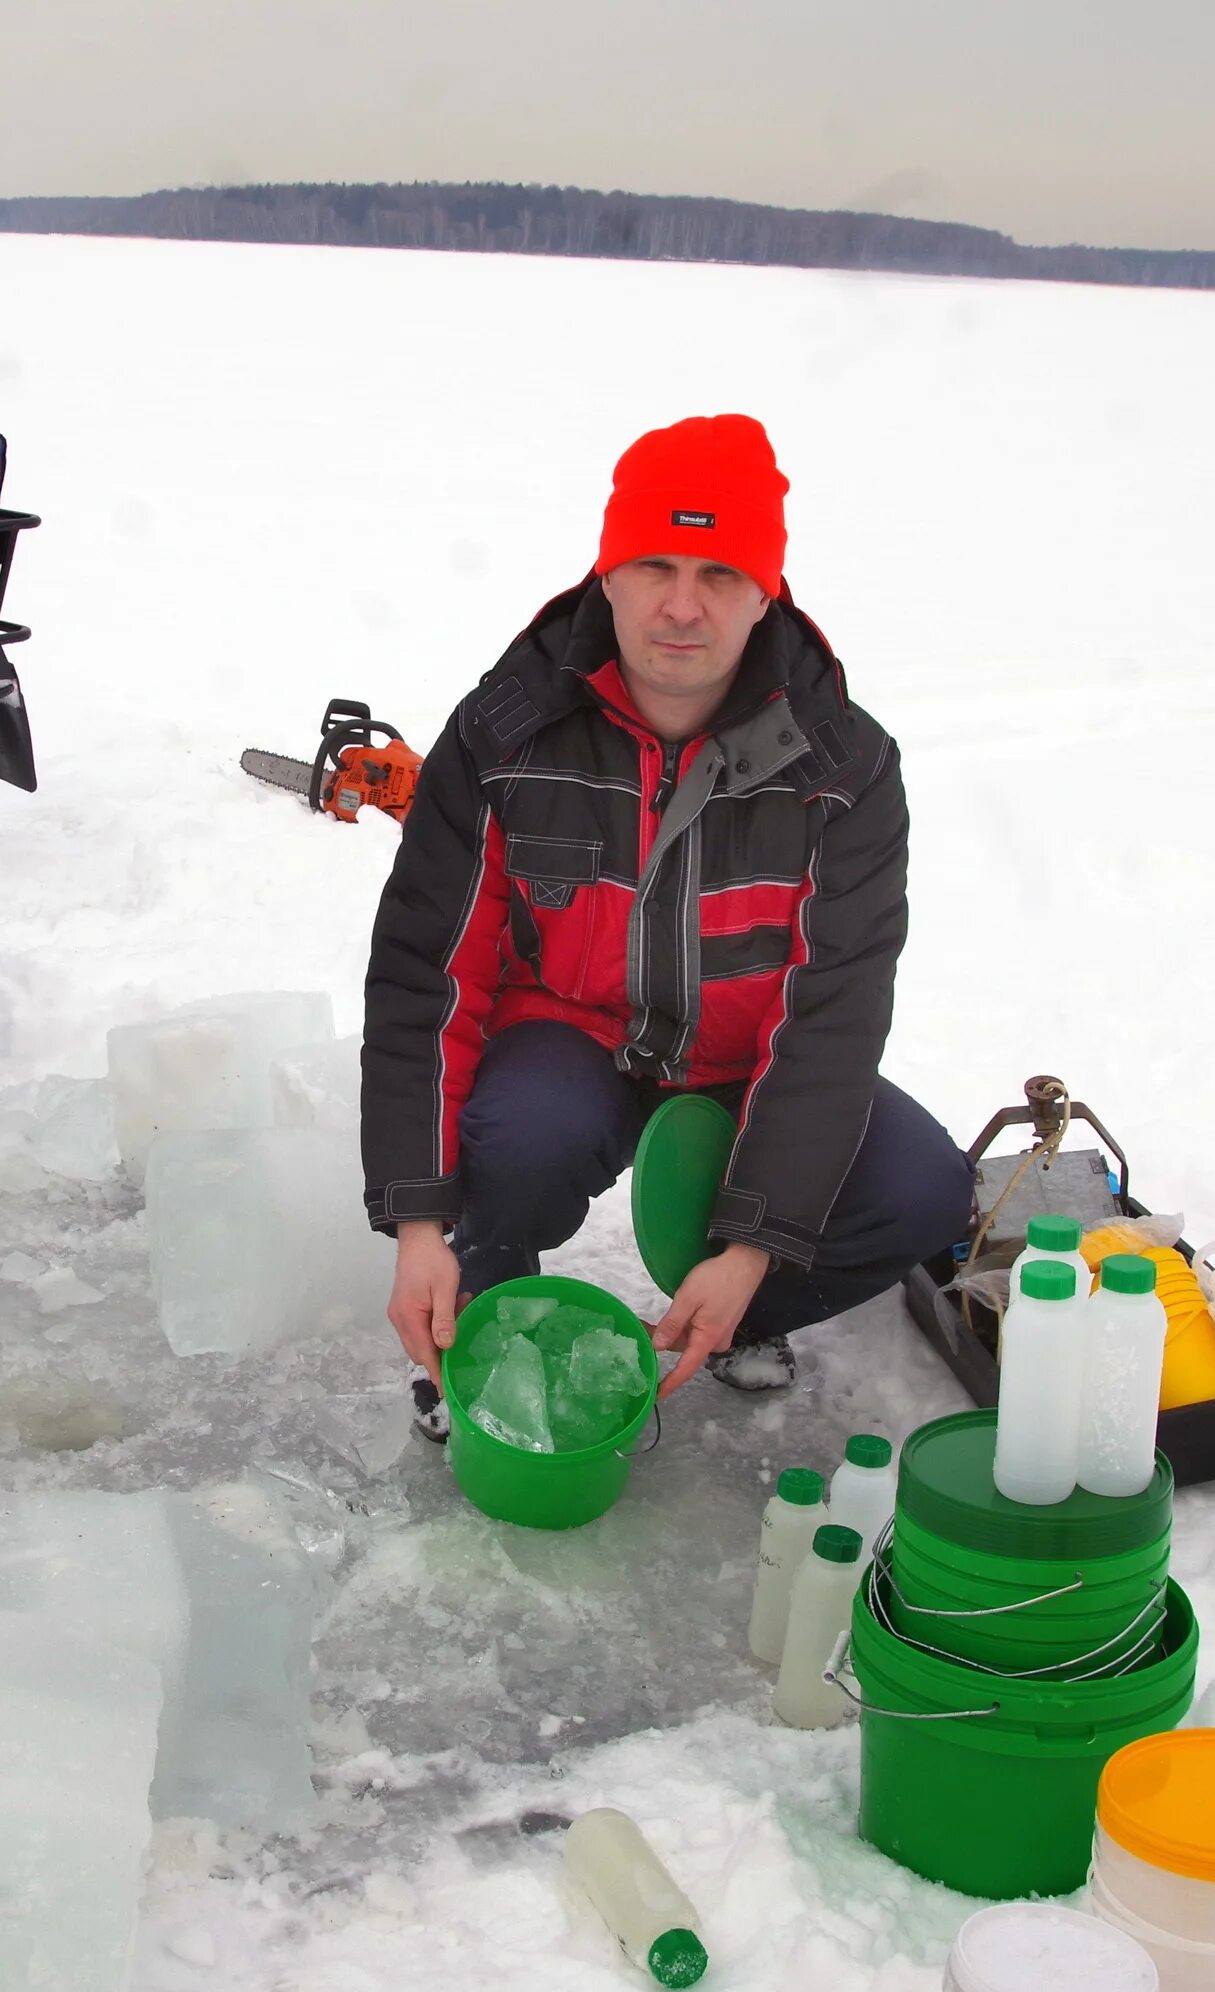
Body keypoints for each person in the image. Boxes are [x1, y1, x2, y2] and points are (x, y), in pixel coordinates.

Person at [361, 415, 967, 1431]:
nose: (682, 607)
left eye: (720, 573)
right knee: (514, 1137)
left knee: (919, 1189)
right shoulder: (505, 736)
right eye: (654, 565)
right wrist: (418, 1220)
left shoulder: (846, 770)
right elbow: (430, 976)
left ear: (766, 589)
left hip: (744, 1065)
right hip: (569, 1038)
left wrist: (754, 1248)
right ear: (607, 574)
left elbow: (833, 1019)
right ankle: (482, 1303)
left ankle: (732, 1310)